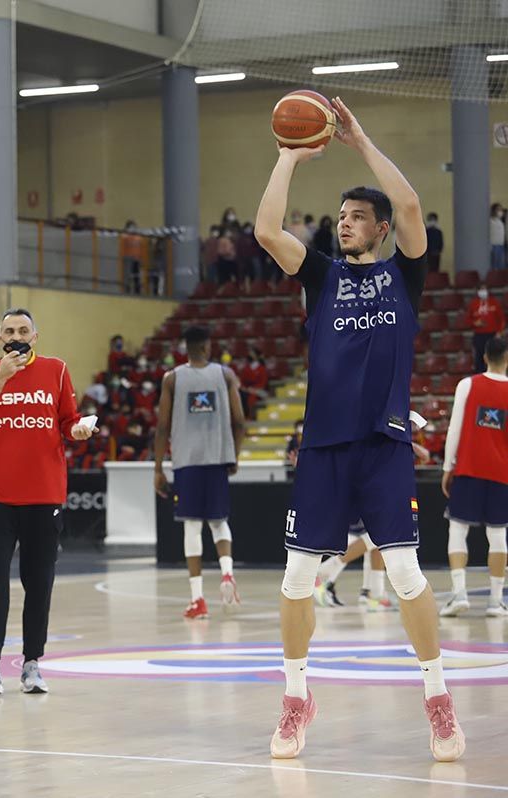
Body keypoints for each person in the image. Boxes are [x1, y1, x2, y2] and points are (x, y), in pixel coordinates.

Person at [254, 96, 463, 761]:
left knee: (403, 571)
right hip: (322, 447)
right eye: (340, 216)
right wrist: (287, 158)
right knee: (294, 581)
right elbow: (265, 230)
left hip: (384, 443)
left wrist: (362, 142)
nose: (345, 223)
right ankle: (294, 699)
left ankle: (437, 700)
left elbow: (408, 208)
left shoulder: (407, 274)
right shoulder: (321, 276)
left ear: (379, 230)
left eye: (356, 217)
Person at [0, 309, 93, 697]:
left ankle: (32, 664)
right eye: (9, 330)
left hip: (44, 494)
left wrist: (79, 429)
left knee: (39, 584)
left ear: (35, 336)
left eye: (23, 330)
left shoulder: (56, 370)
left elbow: (67, 421)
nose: (17, 336)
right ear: (0, 336)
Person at [152, 326, 246, 619]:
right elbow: (240, 421)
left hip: (186, 460)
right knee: (219, 522)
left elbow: (163, 426)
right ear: (207, 347)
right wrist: (234, 454)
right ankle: (227, 573)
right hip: (218, 457)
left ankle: (197, 600)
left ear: (186, 348)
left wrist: (158, 468)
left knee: (192, 526)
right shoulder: (226, 375)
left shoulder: (173, 378)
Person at [439, 335, 508, 617]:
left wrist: (447, 467)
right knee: (498, 534)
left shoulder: (467, 384)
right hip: (501, 473)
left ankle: (459, 595)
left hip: (468, 468)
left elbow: (454, 429)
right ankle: (495, 601)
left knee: (458, 530)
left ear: (484, 358)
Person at [465, 284, 504, 373]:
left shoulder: (494, 302)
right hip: (479, 335)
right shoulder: (473, 304)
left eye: (484, 289)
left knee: (494, 356)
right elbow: (467, 320)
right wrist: (475, 323)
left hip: (492, 335)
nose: (483, 291)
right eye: (481, 289)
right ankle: (480, 376)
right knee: (479, 358)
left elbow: (501, 319)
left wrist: (499, 332)